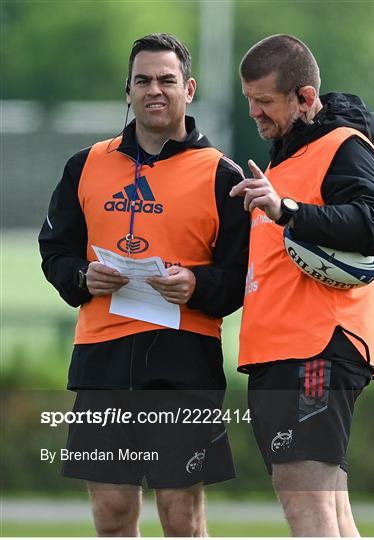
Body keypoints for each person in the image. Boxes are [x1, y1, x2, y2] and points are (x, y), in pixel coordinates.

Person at [39, 33, 249, 537]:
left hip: (185, 359)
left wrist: (196, 284)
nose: (155, 90)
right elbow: (55, 251)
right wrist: (81, 276)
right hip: (102, 356)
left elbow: (241, 279)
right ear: (128, 90)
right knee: (111, 512)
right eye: (143, 80)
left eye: (167, 80)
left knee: (181, 513)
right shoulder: (85, 164)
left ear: (189, 88)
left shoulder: (223, 175)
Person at [230, 34, 374, 537]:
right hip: (280, 350)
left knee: (308, 504)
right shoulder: (283, 160)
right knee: (329, 511)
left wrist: (288, 210)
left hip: (317, 348)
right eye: (249, 101)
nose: (255, 113)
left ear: (304, 97)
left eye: (265, 102)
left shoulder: (341, 145)